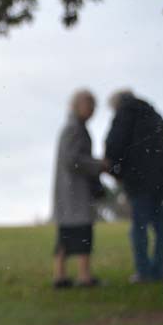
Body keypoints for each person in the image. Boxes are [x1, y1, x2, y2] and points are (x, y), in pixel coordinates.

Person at [104, 89, 163, 283]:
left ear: (116, 104)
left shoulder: (124, 114)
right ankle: (158, 271)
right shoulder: (155, 115)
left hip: (140, 181)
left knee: (139, 227)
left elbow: (114, 146)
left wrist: (115, 172)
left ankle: (143, 272)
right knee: (161, 227)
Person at [52, 89, 107, 289]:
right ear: (77, 105)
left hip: (70, 194)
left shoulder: (74, 127)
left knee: (67, 234)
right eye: (89, 104)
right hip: (75, 193)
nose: (92, 109)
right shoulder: (74, 129)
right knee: (81, 233)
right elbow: (72, 160)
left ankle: (61, 276)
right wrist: (98, 165)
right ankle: (82, 276)